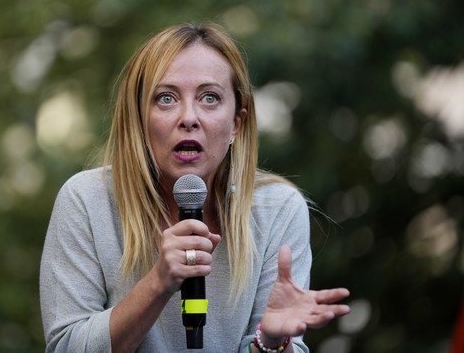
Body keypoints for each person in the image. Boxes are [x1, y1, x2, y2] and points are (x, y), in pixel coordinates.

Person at [39, 22, 351, 353]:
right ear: (139, 120)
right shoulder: (86, 202)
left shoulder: (277, 209)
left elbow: (276, 346)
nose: (189, 117)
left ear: (236, 124)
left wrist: (270, 342)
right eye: (166, 98)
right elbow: (66, 347)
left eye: (210, 98)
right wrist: (158, 283)